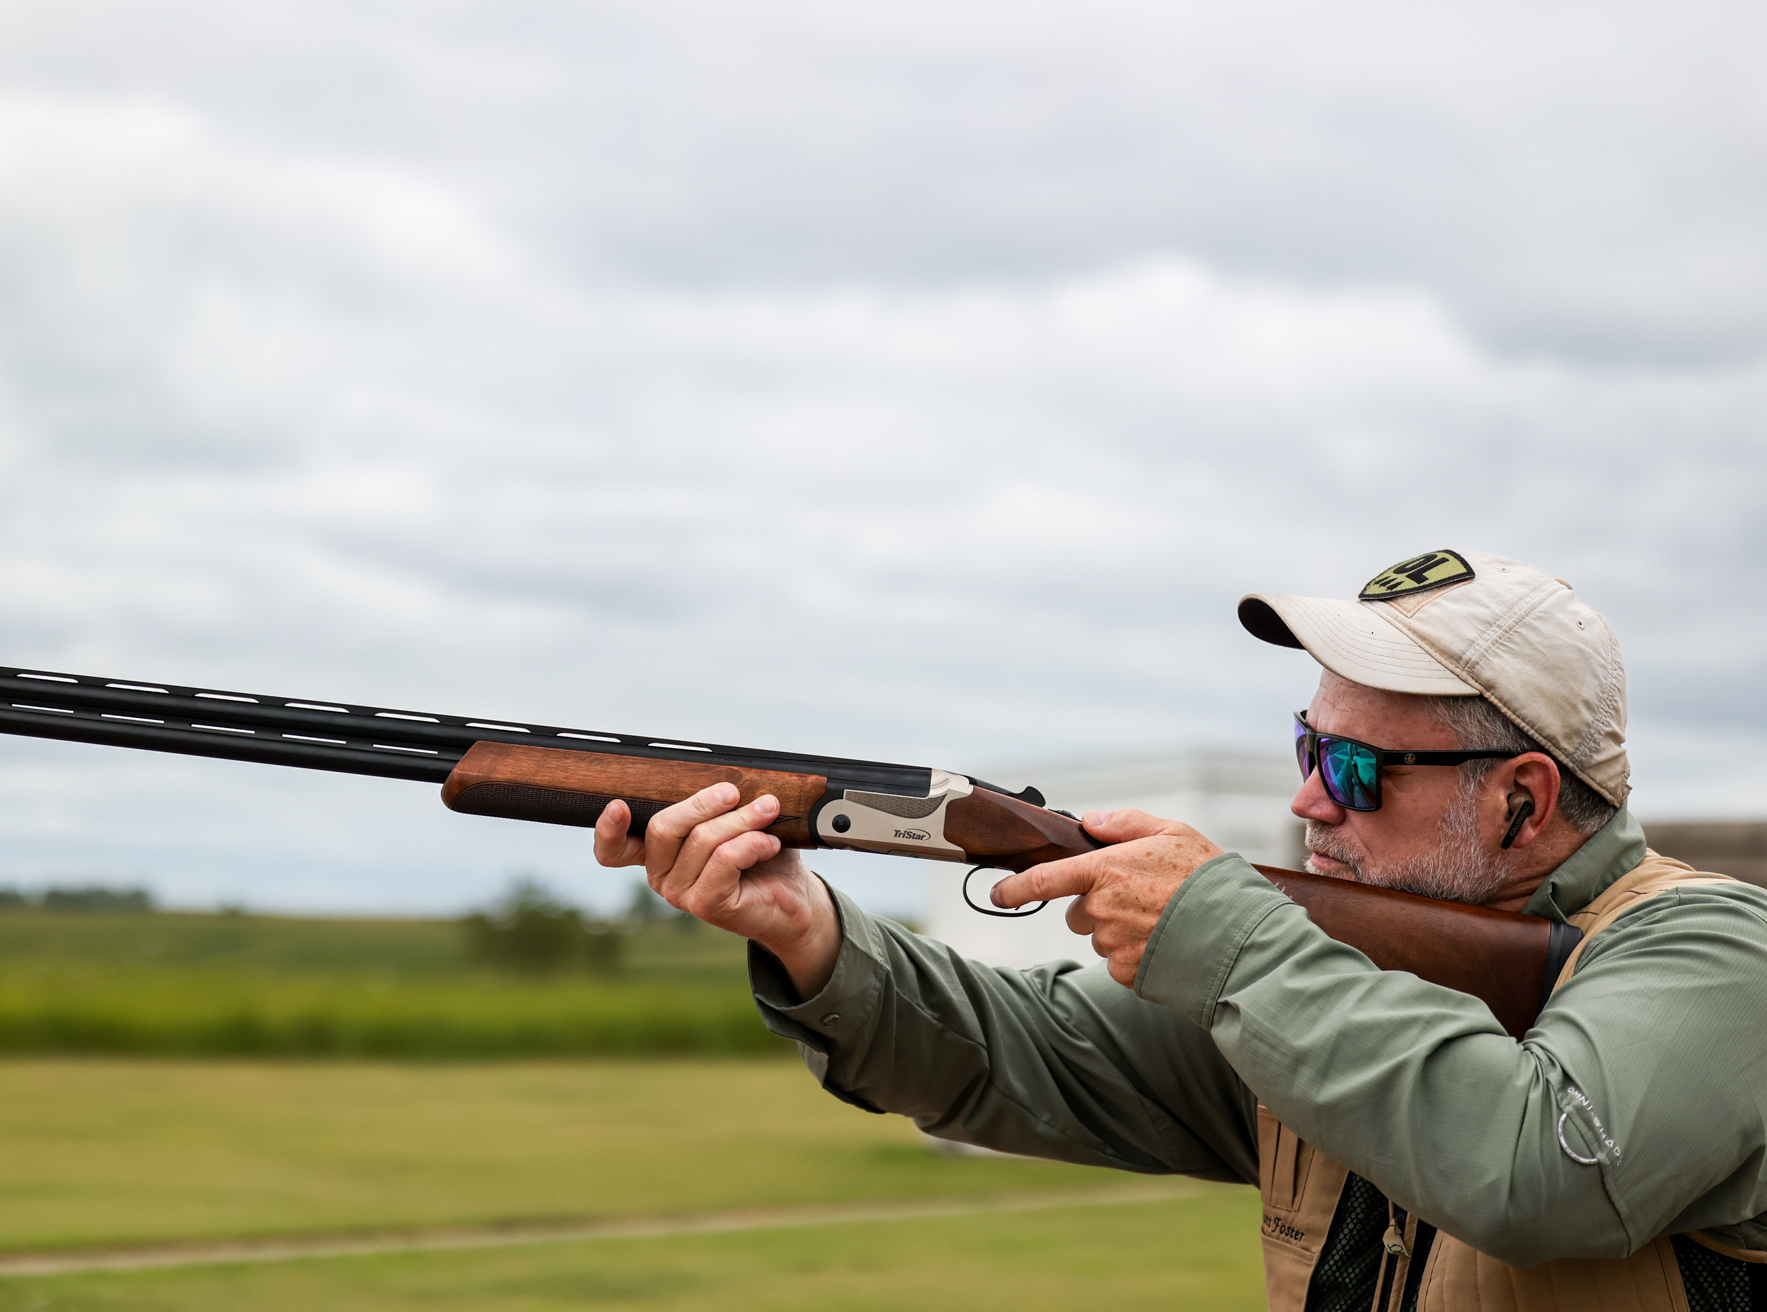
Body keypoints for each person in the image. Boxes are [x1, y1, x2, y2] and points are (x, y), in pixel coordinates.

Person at [593, 550, 1767, 1311]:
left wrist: (1230, 937)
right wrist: (809, 933)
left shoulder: (1717, 955)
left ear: (1520, 796)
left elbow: (1533, 1171)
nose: (1308, 798)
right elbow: (1021, 1054)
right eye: (1309, 747)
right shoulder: (1332, 980)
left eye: (1355, 767)